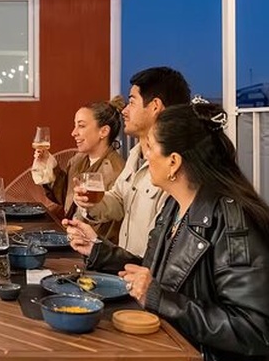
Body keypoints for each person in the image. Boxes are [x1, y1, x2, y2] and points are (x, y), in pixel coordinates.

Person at [63, 101, 269, 361]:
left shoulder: (235, 223)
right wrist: (99, 250)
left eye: (149, 147)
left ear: (174, 162)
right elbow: (156, 274)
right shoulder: (177, 207)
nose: (144, 154)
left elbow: (256, 328)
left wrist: (159, 298)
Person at [74, 66, 191, 256]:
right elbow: (119, 200)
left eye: (132, 102)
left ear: (155, 106)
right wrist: (91, 202)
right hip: (125, 272)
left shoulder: (173, 166)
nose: (125, 111)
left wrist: (100, 252)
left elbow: (167, 252)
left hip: (146, 277)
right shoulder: (136, 154)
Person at [31, 97, 126, 241]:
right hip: (71, 238)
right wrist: (49, 166)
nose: (74, 132)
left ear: (104, 131)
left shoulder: (115, 171)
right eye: (75, 126)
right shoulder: (78, 159)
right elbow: (66, 199)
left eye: (81, 126)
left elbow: (106, 229)